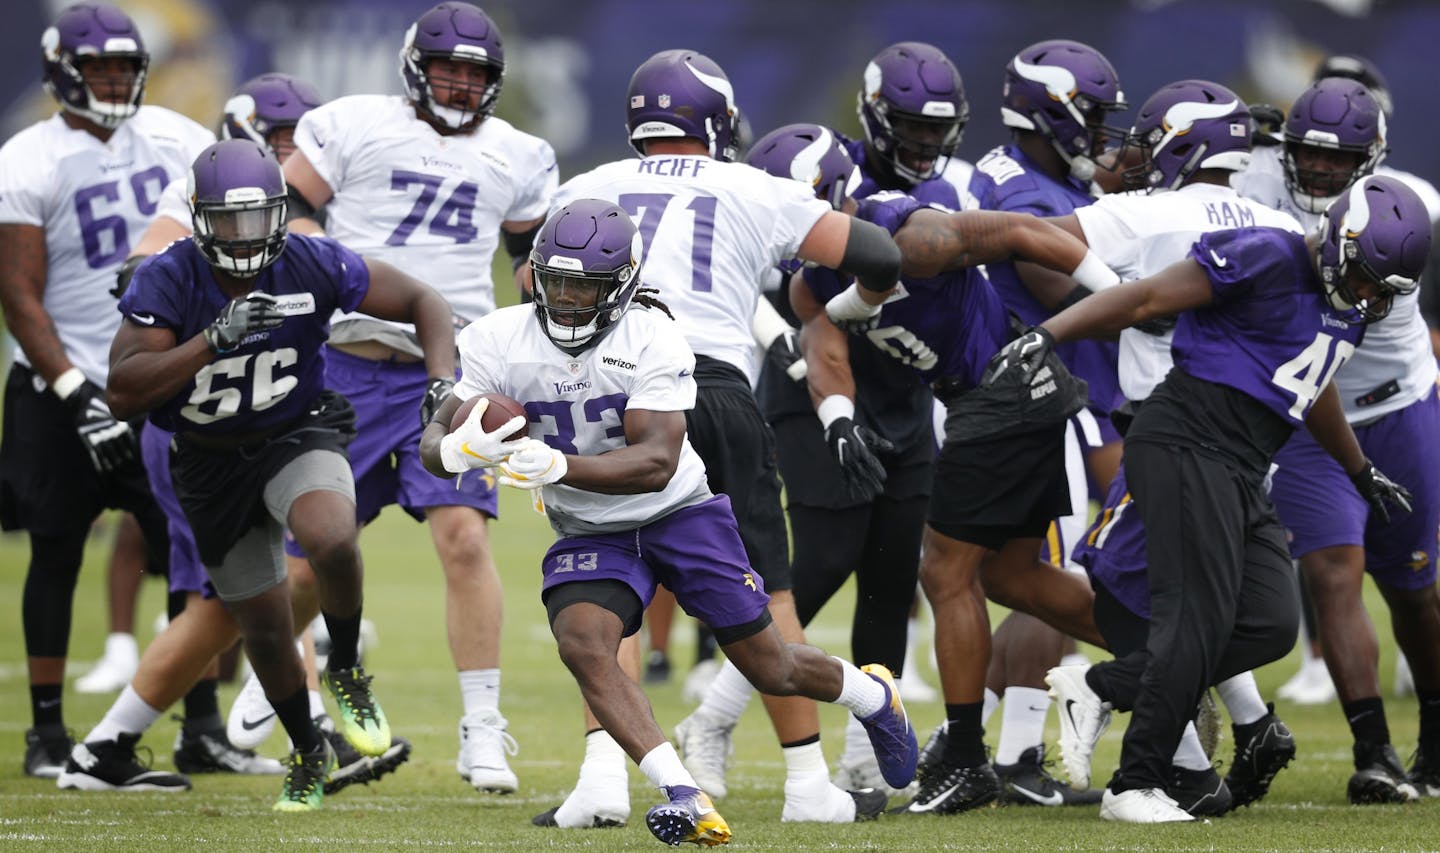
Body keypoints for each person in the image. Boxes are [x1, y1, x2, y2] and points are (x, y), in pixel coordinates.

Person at [419, 197, 917, 846]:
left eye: (586, 286)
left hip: (679, 513)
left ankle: (873, 695)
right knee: (583, 642)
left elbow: (655, 462)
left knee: (773, 666)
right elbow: (433, 439)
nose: (567, 300)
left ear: (623, 284)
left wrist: (553, 462)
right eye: (557, 282)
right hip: (591, 529)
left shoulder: (652, 335)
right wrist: (457, 449)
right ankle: (684, 791)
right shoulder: (496, 337)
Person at [1004, 173, 1428, 822]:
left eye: (1382, 290)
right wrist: (1050, 334)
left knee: (1268, 622)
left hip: (1243, 463)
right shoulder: (1269, 252)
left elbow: (1313, 380)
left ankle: (1101, 684)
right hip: (1183, 439)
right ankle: (1134, 784)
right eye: (1366, 277)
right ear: (1342, 240)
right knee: (1194, 620)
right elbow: (1144, 297)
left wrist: (1360, 467)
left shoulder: (1350, 304)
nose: (1368, 295)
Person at [59, 74, 411, 794]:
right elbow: (145, 290)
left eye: (300, 139)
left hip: (286, 425)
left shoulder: (298, 237)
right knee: (232, 604)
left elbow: (373, 282)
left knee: (300, 559)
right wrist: (200, 331)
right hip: (197, 442)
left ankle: (290, 712)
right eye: (278, 138)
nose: (292, 151)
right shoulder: (188, 234)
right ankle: (131, 743)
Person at [979, 79, 1305, 812]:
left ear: (1181, 142)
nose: (1138, 150)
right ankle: (1200, 751)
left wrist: (1110, 297)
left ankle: (1129, 729)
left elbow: (1039, 241)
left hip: (1173, 431)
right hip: (1252, 438)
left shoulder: (1148, 211)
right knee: (1198, 603)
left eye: (1152, 137)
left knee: (1144, 602)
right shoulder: (1276, 224)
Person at [675, 40, 975, 801]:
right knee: (814, 567)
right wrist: (829, 392)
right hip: (808, 392)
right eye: (906, 129)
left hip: (900, 398)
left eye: (932, 132)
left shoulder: (935, 192)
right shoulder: (805, 162)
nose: (921, 146)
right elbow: (782, 298)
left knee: (887, 574)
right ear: (874, 120)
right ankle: (712, 715)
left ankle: (869, 754)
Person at [279, 1, 558, 795]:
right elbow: (292, 208)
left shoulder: (521, 153)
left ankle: (481, 728)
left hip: (449, 368)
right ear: (415, 65)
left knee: (464, 536)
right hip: (346, 369)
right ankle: (284, 688)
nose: (462, 84)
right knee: (306, 567)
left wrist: (554, 335)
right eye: (449, 68)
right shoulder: (353, 123)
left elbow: (529, 260)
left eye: (476, 73)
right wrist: (308, 253)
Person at [809, 181, 1136, 815]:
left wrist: (1110, 288)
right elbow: (819, 338)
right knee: (1012, 577)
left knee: (945, 571)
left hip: (1004, 393)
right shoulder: (811, 272)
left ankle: (965, 758)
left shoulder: (909, 234)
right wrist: (840, 418)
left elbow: (1021, 232)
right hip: (991, 401)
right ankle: (1162, 656)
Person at [0, 1, 214, 778]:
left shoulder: (182, 139)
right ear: (64, 72)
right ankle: (46, 732)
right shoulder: (27, 157)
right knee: (56, 550)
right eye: (100, 69)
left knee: (187, 557)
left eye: (127, 67)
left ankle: (200, 724)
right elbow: (20, 293)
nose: (116, 81)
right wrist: (73, 390)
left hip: (155, 382)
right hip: (59, 384)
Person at [1233, 75, 1440, 803]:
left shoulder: (1414, 203)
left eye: (1338, 159)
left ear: (1373, 158)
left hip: (1399, 405)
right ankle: (1374, 752)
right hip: (1310, 418)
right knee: (1331, 575)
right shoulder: (1252, 172)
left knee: (1413, 589)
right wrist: (1225, 127)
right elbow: (1141, 179)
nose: (1318, 170)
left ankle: (1436, 742)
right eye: (1307, 155)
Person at [962, 38, 1127, 807]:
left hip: (1055, 401)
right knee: (1044, 580)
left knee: (1030, 578)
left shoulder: (1043, 178)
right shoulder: (1015, 186)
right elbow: (1052, 281)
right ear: (1051, 112)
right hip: (1041, 405)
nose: (1099, 133)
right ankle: (1022, 754)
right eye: (1090, 117)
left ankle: (979, 742)